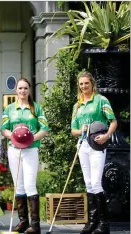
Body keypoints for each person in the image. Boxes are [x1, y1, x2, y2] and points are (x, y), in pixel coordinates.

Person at [0, 78, 49, 234]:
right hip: (14, 150)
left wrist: (30, 139)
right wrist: (14, 136)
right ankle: (23, 223)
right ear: (16, 90)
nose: (22, 91)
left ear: (29, 90)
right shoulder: (9, 109)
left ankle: (35, 226)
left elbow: (45, 129)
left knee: (30, 185)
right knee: (19, 186)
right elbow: (3, 129)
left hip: (31, 149)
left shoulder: (36, 108)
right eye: (20, 88)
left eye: (25, 88)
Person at [71, 71, 117, 234]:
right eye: (81, 84)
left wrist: (106, 136)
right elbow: (73, 130)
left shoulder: (101, 100)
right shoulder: (77, 105)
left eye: (86, 83)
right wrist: (81, 130)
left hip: (97, 145)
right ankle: (92, 222)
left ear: (92, 84)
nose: (84, 86)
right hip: (82, 146)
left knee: (96, 183)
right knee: (89, 183)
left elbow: (113, 121)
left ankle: (104, 225)